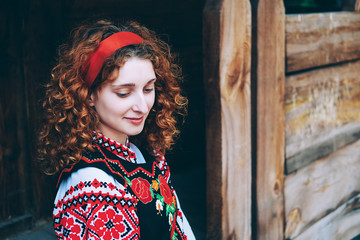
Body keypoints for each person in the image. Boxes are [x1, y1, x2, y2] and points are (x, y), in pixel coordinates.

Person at [37, 19, 195, 240]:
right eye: (124, 93)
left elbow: (179, 227)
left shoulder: (146, 154)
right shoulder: (92, 185)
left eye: (148, 89)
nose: (142, 106)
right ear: (89, 94)